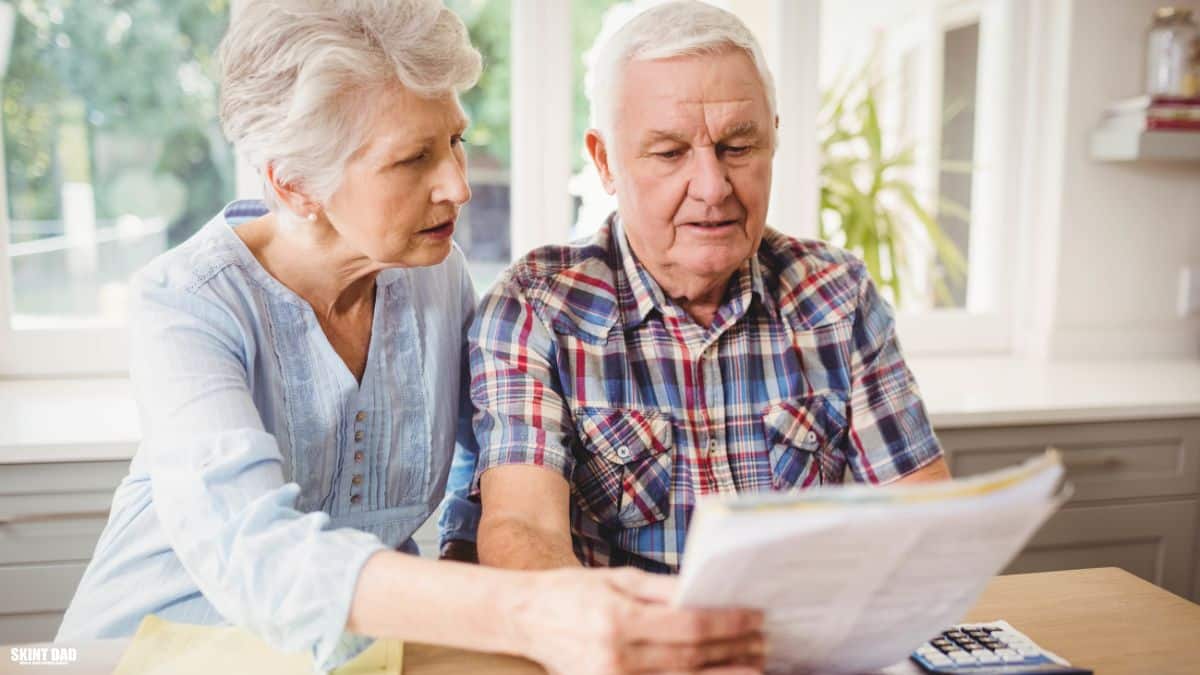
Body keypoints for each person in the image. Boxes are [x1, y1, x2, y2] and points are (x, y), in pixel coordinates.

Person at [56, 2, 765, 673]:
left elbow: (480, 454)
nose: (457, 185)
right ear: (296, 184)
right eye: (412, 159)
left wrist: (470, 557)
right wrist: (530, 608)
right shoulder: (185, 305)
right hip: (151, 649)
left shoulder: (430, 272)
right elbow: (255, 552)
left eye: (454, 140)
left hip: (356, 658)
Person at [440, 0, 952, 574]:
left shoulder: (837, 294)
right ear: (605, 161)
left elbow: (920, 511)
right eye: (670, 152)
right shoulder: (536, 307)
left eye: (738, 147)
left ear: (774, 139)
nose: (713, 187)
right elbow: (523, 532)